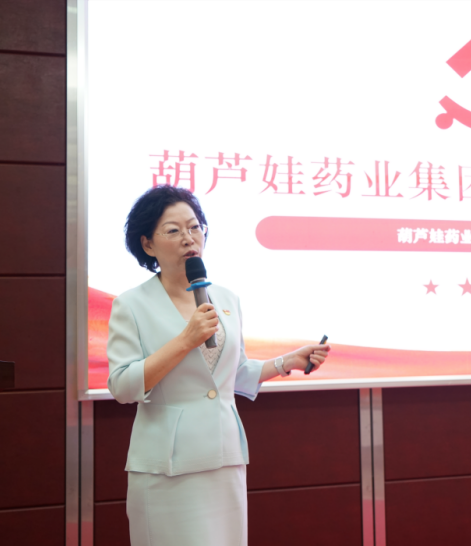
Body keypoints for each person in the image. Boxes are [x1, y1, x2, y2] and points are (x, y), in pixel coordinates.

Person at [107, 186, 330, 546]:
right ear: (148, 244)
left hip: (225, 458)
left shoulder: (226, 298)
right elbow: (122, 386)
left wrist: (286, 362)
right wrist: (185, 340)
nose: (189, 238)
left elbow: (232, 375)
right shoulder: (131, 304)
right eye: (174, 230)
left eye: (195, 227)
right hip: (167, 466)